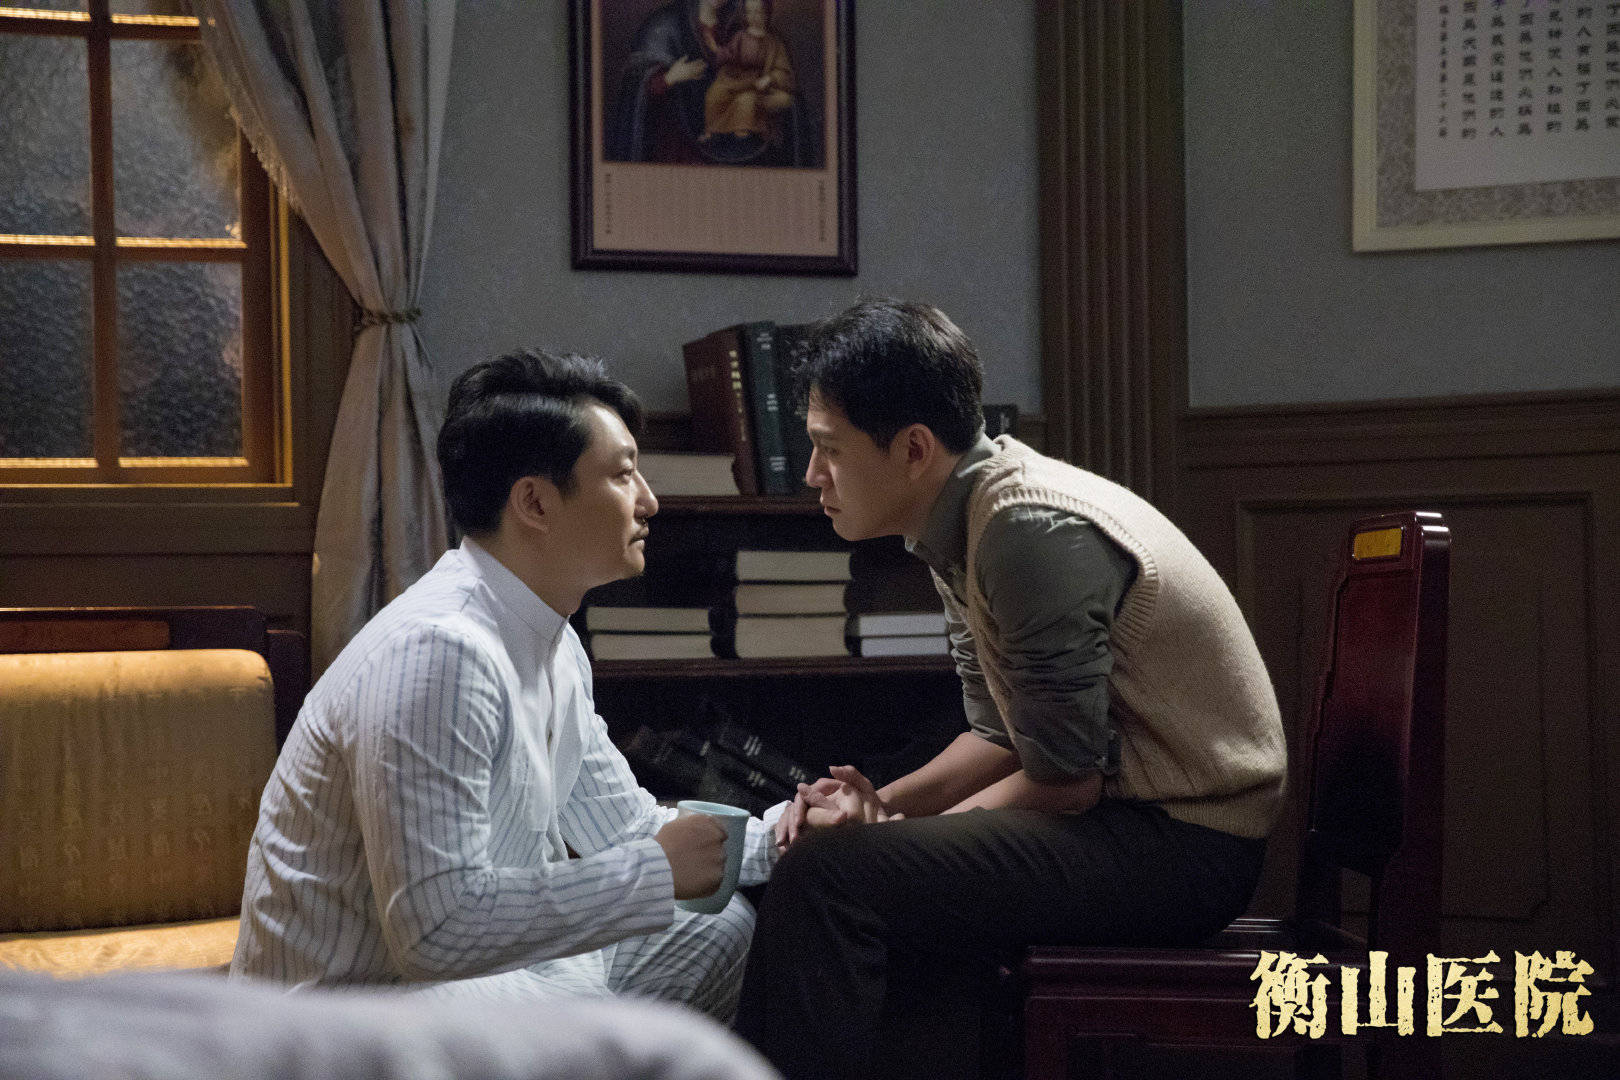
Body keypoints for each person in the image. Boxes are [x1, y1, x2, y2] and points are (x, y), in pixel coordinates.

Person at [732, 299, 1288, 1080]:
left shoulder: (1026, 530)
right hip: (1124, 821)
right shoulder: (963, 515)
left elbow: (1065, 780)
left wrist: (887, 837)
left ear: (914, 449)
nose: (813, 475)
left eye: (828, 449)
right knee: (837, 865)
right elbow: (1000, 734)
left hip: (1184, 845)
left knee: (828, 879)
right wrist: (882, 807)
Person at [232, 349, 782, 1020]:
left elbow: (626, 829)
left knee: (716, 932)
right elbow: (436, 931)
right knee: (579, 993)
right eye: (623, 475)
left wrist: (786, 837)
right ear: (535, 502)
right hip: (357, 1011)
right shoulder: (439, 652)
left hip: (474, 983)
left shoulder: (551, 640)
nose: (648, 501)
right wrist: (653, 873)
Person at [700, 0, 795, 145]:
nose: (753, 17)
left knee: (748, 100)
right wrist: (716, 50)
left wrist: (770, 78)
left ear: (766, 14)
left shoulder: (774, 43)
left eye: (758, 12)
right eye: (749, 12)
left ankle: (742, 134)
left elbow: (785, 72)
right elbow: (729, 54)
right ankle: (712, 130)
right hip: (737, 80)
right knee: (714, 94)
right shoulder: (741, 36)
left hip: (757, 85)